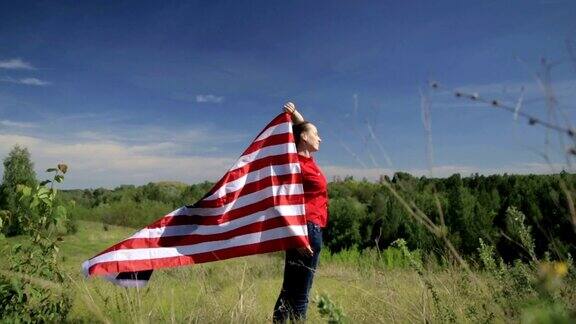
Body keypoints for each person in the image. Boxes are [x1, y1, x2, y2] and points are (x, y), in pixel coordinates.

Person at [273, 102, 329, 323]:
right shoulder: (294, 164)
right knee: (299, 296)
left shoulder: (307, 161)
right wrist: (298, 236)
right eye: (316, 134)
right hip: (305, 231)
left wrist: (294, 113)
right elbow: (282, 200)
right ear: (304, 138)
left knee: (290, 291)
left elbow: (303, 127)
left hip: (309, 230)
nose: (320, 138)